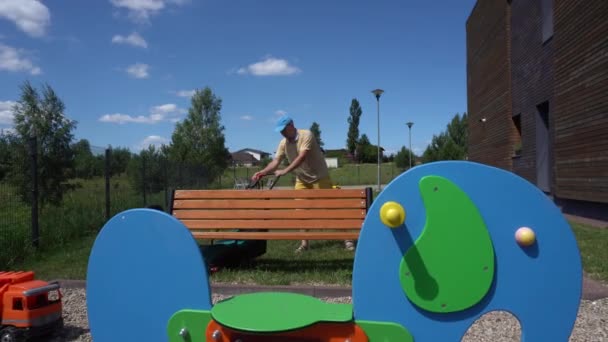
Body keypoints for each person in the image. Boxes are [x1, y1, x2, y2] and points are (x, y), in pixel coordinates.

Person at [252, 114, 355, 253]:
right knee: (301, 211)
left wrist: (285, 170)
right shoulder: (283, 143)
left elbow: (302, 157)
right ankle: (304, 244)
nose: (282, 133)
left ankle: (348, 240)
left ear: (291, 125)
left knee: (332, 209)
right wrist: (262, 172)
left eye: (284, 129)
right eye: (280, 131)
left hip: (319, 177)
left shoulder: (306, 135)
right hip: (302, 179)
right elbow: (275, 162)